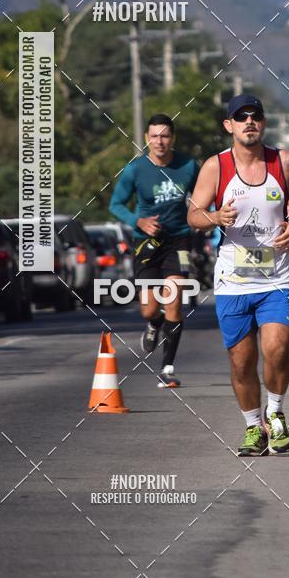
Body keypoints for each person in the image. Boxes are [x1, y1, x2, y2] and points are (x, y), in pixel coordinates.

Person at [188, 94, 289, 456]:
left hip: (276, 278)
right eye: (240, 117)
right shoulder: (216, 167)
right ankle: (252, 428)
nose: (249, 122)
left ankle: (275, 414)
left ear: (263, 123)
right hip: (233, 281)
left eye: (255, 116)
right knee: (241, 362)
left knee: (277, 349)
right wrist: (213, 218)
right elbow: (194, 214)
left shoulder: (284, 161)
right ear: (229, 125)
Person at [109, 114, 199, 388]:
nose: (159, 141)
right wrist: (138, 221)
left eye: (165, 136)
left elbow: (204, 196)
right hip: (146, 244)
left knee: (173, 299)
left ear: (173, 139)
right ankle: (154, 323)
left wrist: (205, 215)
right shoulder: (135, 170)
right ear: (147, 139)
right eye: (154, 136)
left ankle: (167, 367)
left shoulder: (189, 166)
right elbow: (116, 204)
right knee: (149, 308)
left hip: (178, 241)